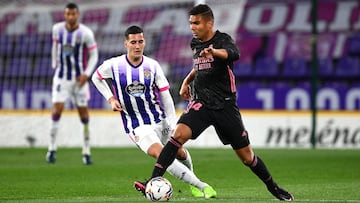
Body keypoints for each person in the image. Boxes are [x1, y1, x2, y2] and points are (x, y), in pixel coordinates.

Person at [134, 4, 294, 201]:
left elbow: (233, 54)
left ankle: (273, 188)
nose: (192, 27)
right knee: (177, 136)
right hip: (201, 103)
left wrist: (215, 52)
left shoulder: (223, 40)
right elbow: (199, 67)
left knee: (247, 157)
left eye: (196, 23)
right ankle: (152, 181)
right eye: (190, 23)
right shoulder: (195, 43)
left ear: (209, 22)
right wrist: (187, 81)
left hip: (225, 106)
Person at [91, 25, 216, 198]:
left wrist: (173, 124)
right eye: (133, 42)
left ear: (144, 43)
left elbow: (166, 97)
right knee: (162, 154)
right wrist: (111, 98)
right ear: (125, 43)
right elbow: (96, 77)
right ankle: (202, 186)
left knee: (179, 152)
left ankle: (192, 181)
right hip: (137, 125)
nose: (137, 46)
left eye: (140, 41)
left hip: (160, 120)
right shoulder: (113, 65)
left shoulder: (153, 66)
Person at [46, 2, 99, 165]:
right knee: (57, 110)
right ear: (65, 15)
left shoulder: (85, 33)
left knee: (84, 116)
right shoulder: (57, 29)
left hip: (79, 81)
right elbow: (55, 47)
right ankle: (52, 149)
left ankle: (86, 150)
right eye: (68, 14)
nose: (70, 16)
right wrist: (55, 65)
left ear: (78, 15)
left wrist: (86, 74)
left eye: (73, 14)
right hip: (62, 78)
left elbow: (94, 55)